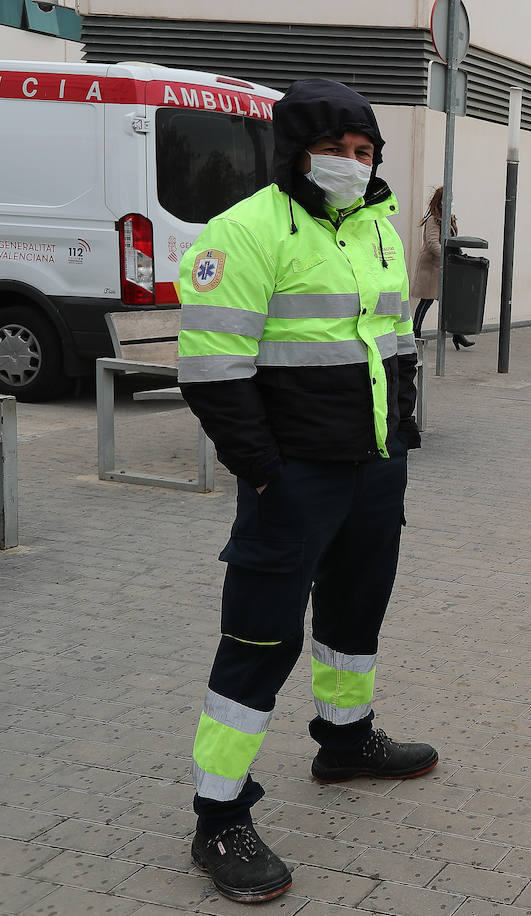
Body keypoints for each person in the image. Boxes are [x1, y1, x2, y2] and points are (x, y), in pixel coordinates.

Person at [176, 78, 437, 903]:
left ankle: (345, 741)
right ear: (296, 151)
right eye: (336, 151)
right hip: (291, 477)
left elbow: (393, 344)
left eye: (365, 153)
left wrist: (395, 439)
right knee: (259, 641)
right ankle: (218, 814)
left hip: (372, 468)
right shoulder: (244, 233)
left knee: (356, 615)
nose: (353, 166)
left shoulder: (379, 232)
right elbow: (215, 374)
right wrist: (264, 473)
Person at [412, 186, 474, 350]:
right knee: (426, 301)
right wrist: (447, 256)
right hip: (432, 266)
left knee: (450, 301)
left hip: (445, 266)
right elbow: (433, 244)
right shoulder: (433, 219)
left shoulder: (449, 218)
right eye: (448, 200)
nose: (450, 203)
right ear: (440, 201)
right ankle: (415, 332)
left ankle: (457, 334)